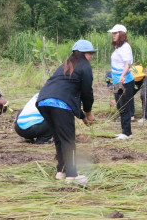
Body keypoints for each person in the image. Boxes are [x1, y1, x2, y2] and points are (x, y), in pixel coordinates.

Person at [36, 40, 97, 185]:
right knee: (69, 140)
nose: (92, 56)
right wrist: (88, 113)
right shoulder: (85, 66)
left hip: (44, 101)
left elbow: (66, 92)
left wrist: (81, 115)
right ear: (83, 54)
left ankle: (61, 171)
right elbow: (86, 92)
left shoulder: (66, 64)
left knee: (59, 138)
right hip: (60, 104)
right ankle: (72, 175)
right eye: (90, 53)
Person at [108, 24, 134, 140]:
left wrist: (123, 75)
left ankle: (127, 133)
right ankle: (124, 131)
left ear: (121, 34)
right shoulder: (118, 47)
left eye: (115, 33)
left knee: (124, 106)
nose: (113, 35)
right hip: (117, 81)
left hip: (125, 81)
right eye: (113, 33)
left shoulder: (125, 47)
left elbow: (127, 64)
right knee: (119, 105)